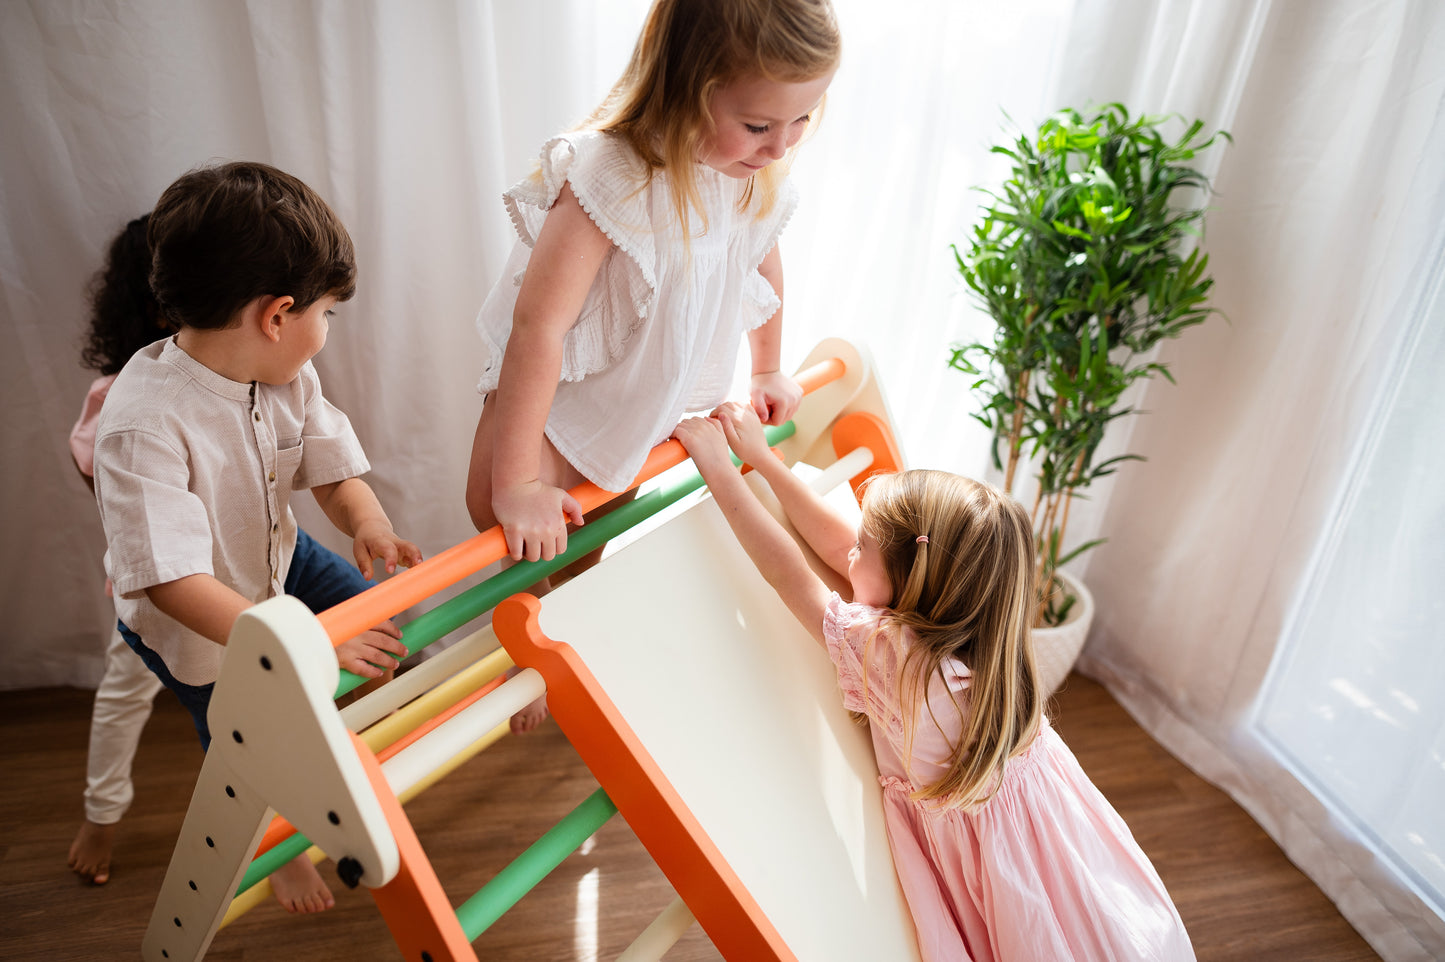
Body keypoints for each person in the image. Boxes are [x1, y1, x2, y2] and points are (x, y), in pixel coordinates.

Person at [673, 402, 1196, 962]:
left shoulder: (894, 657)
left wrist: (721, 467)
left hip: (992, 860)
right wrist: (764, 459)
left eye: (862, 548)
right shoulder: (984, 635)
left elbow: (788, 574)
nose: (849, 550)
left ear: (910, 580)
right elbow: (840, 547)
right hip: (1051, 836)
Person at [465, 0, 840, 732]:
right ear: (686, 86)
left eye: (803, 119)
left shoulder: (749, 172)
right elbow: (538, 327)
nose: (780, 145)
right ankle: (533, 636)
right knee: (497, 511)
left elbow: (760, 259)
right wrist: (516, 481)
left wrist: (767, 369)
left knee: (586, 533)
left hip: (640, 395)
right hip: (563, 386)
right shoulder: (611, 173)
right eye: (759, 125)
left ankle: (558, 642)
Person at [91, 163, 421, 914]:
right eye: (327, 313)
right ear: (276, 314)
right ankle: (275, 840)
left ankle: (360, 740)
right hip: (197, 618)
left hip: (277, 556)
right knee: (249, 732)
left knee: (385, 623)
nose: (326, 332)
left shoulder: (284, 374)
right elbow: (172, 582)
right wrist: (299, 646)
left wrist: (366, 519)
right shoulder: (144, 419)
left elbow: (332, 474)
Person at [66, 214, 170, 886]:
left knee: (256, 700)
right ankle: (100, 816)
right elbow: (108, 494)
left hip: (256, 570)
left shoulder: (250, 380)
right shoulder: (117, 399)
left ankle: (270, 836)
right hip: (154, 587)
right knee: (126, 692)